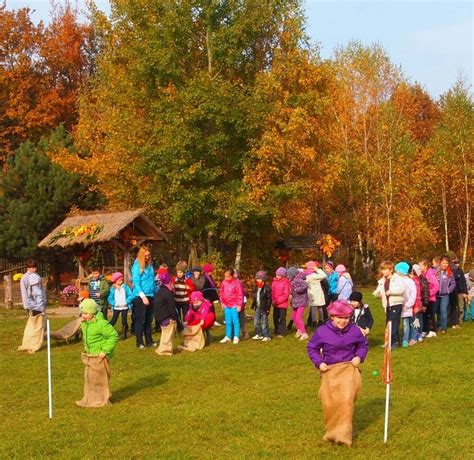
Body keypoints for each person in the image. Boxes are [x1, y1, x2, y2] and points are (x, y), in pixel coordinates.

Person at [307, 300, 368, 447]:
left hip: (349, 370)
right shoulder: (322, 331)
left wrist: (358, 357)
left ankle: (344, 436)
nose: (343, 321)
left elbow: (363, 345)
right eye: (339, 318)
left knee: (346, 401)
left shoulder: (355, 331)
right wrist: (319, 363)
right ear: (332, 317)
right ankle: (331, 432)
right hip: (329, 370)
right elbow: (312, 348)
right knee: (330, 403)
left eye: (346, 318)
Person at [76, 298, 118, 408]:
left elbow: (113, 336)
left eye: (86, 313)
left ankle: (101, 399)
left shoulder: (101, 324)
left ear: (93, 312)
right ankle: (91, 398)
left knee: (99, 378)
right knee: (89, 377)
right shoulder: (86, 323)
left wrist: (104, 351)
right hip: (91, 355)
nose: (83, 315)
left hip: (100, 356)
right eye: (82, 313)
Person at [373, 260, 405, 348]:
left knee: (394, 323)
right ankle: (390, 341)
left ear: (391, 270)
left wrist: (391, 292)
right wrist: (377, 294)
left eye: (385, 269)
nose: (383, 271)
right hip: (387, 305)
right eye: (382, 269)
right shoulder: (382, 281)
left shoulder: (397, 279)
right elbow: (377, 291)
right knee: (388, 323)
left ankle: (394, 342)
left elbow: (402, 289)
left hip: (396, 303)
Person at [18, 259, 46, 354]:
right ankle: (32, 344)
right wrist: (26, 306)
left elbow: (41, 290)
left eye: (35, 267)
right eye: (31, 268)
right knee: (34, 326)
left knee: (40, 325)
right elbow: (24, 293)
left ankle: (36, 341)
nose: (33, 269)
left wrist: (44, 301)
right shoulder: (25, 278)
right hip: (32, 305)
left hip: (40, 304)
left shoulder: (37, 276)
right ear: (27, 268)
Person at [131, 246, 156, 349]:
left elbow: (151, 280)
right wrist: (142, 296)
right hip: (140, 296)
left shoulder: (150, 266)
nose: (147, 257)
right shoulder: (136, 266)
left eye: (149, 256)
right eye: (145, 256)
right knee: (140, 320)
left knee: (149, 320)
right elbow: (136, 282)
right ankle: (139, 342)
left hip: (151, 294)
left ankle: (149, 341)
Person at [154, 272, 178, 356]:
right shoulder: (168, 292)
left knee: (164, 333)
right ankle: (166, 350)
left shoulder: (160, 290)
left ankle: (162, 347)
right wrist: (174, 318)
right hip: (165, 316)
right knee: (168, 334)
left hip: (158, 316)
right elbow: (171, 307)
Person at [219, 268, 244, 344]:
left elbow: (240, 294)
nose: (226, 278)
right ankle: (228, 336)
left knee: (235, 321)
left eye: (228, 277)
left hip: (234, 305)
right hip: (226, 305)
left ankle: (236, 336)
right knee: (228, 321)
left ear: (232, 276)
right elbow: (221, 293)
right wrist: (222, 303)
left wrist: (239, 305)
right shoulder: (224, 283)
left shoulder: (237, 283)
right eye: (225, 277)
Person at [396, 262, 417, 347]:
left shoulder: (409, 281)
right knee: (406, 323)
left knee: (407, 323)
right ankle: (406, 338)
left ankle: (406, 339)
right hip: (400, 305)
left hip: (407, 306)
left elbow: (413, 293)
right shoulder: (397, 281)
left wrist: (408, 304)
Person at [108, 272, 134, 340]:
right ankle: (107, 332)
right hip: (116, 307)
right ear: (115, 281)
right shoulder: (112, 289)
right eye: (119, 280)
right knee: (113, 320)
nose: (121, 281)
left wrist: (126, 301)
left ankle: (124, 334)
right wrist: (114, 303)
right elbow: (110, 298)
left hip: (124, 307)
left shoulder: (125, 287)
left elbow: (131, 295)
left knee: (124, 320)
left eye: (122, 280)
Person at [418, 258, 439, 338]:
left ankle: (432, 330)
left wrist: (429, 294)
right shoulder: (422, 275)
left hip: (431, 299)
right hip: (425, 298)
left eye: (421, 266)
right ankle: (425, 330)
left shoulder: (430, 274)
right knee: (425, 314)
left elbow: (436, 286)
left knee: (430, 314)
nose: (420, 268)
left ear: (426, 266)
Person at [435, 255, 456, 334]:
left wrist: (448, 290)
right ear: (440, 263)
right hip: (436, 295)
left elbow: (453, 284)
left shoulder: (449, 273)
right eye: (443, 263)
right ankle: (439, 325)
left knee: (443, 310)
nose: (445, 264)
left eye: (446, 263)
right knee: (437, 311)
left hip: (445, 295)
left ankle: (444, 328)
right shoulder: (435, 271)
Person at [251, 271, 272, 342]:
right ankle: (259, 334)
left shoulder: (267, 288)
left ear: (263, 279)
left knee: (264, 323)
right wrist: (254, 304)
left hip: (264, 308)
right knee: (256, 322)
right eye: (257, 279)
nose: (257, 280)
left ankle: (267, 335)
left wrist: (268, 309)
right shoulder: (256, 287)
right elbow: (255, 297)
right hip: (258, 307)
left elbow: (269, 299)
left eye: (259, 279)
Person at [305, 261, 327, 327]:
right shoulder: (314, 276)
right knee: (320, 308)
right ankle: (321, 321)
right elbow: (324, 275)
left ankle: (314, 322)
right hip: (318, 294)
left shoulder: (307, 276)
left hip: (311, 294)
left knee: (313, 308)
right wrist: (317, 269)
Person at [173, 261, 193, 330]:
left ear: (184, 273)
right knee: (177, 315)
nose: (179, 274)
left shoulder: (187, 280)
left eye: (181, 272)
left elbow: (192, 288)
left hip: (185, 301)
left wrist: (189, 288)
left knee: (186, 315)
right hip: (177, 301)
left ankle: (186, 326)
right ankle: (179, 327)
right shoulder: (174, 280)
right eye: (178, 272)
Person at [272, 267, 291, 337]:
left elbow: (286, 295)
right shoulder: (274, 282)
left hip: (282, 304)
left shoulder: (286, 282)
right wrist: (273, 300)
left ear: (283, 276)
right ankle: (276, 330)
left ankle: (282, 332)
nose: (277, 276)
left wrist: (278, 301)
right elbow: (272, 292)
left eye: (279, 275)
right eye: (276, 274)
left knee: (282, 318)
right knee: (275, 317)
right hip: (275, 303)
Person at [291, 270, 309, 340]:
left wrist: (297, 289)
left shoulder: (299, 280)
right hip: (296, 301)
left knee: (298, 317)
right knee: (293, 316)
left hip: (302, 301)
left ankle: (304, 333)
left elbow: (305, 285)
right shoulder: (293, 280)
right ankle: (299, 329)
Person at [451, 258, 468, 328]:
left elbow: (464, 282)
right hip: (453, 292)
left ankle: (460, 320)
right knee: (454, 307)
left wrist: (465, 292)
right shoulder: (451, 271)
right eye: (455, 263)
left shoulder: (460, 271)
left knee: (461, 307)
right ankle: (454, 321)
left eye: (458, 263)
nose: (457, 264)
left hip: (461, 292)